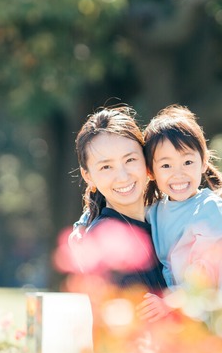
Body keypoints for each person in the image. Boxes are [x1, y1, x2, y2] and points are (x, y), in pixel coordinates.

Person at [138, 105, 222, 321]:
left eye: (188, 162)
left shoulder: (208, 208)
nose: (178, 174)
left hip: (209, 313)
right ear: (150, 171)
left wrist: (169, 302)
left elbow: (209, 273)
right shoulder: (154, 212)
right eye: (166, 166)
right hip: (177, 314)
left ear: (203, 162)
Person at [67, 106, 167, 294]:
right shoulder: (106, 242)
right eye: (106, 167)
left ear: (146, 161)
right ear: (88, 176)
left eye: (130, 160)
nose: (122, 177)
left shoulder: (165, 220)